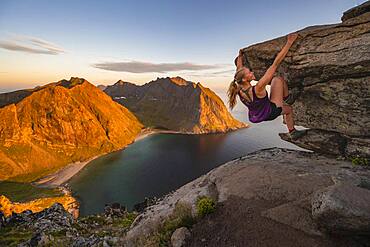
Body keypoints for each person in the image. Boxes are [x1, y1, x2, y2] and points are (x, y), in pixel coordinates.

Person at [227, 33, 306, 140]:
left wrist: (240, 56)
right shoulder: (258, 88)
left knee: (274, 82)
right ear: (245, 79)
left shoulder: (238, 87)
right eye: (249, 72)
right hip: (270, 112)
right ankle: (292, 129)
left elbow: (239, 70)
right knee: (278, 81)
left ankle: (287, 106)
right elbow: (275, 63)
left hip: (257, 116)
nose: (252, 72)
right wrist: (289, 43)